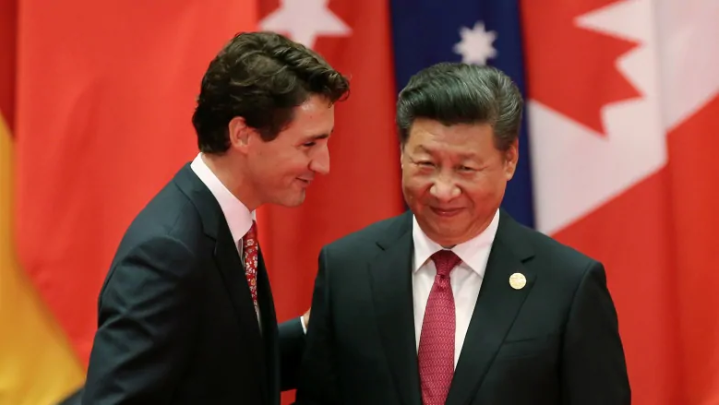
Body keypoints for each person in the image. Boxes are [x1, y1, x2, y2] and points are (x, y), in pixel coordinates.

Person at [295, 62, 630, 404]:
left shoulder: (568, 284)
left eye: (466, 169)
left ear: (509, 160)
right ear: (401, 153)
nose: (443, 190)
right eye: (425, 164)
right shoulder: (347, 268)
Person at [81, 31, 349, 404]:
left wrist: (312, 329)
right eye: (309, 144)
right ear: (243, 135)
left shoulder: (225, 222)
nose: (324, 165)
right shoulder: (167, 253)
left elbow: (224, 368)